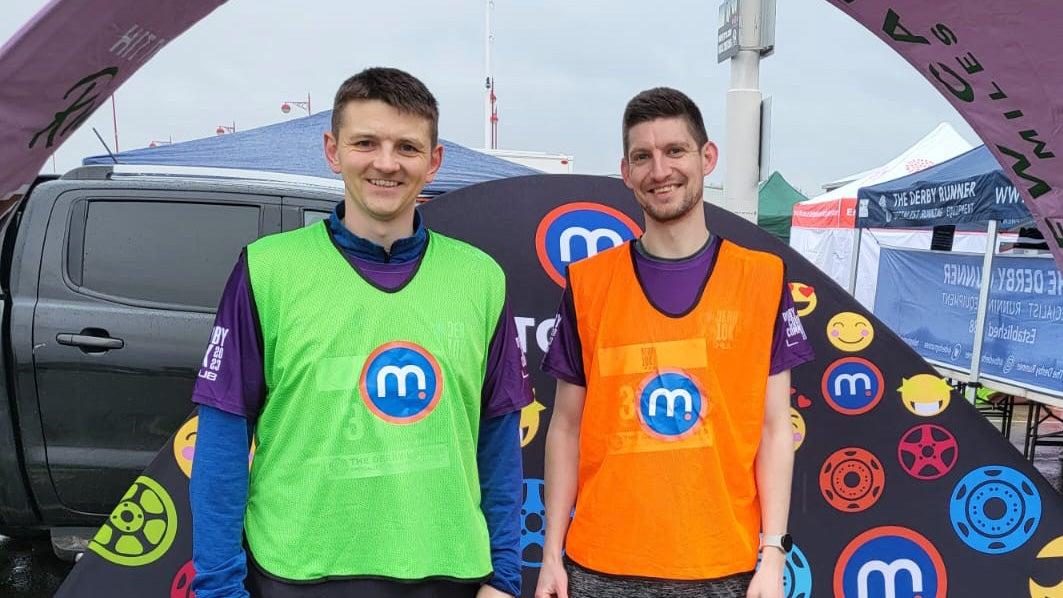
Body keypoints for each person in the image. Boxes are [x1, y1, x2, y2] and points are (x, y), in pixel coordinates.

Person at [189, 67, 531, 598]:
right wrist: (218, 590)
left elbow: (500, 441)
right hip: (296, 574)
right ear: (333, 150)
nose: (386, 163)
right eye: (366, 142)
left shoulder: (480, 277)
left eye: (407, 147)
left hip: (450, 573)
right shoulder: (267, 269)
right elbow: (222, 438)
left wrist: (504, 578)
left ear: (434, 161)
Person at [534, 87, 814, 598]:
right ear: (626, 172)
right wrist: (552, 552)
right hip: (600, 565)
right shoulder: (590, 283)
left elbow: (775, 427)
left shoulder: (761, 278)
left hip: (721, 565)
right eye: (643, 156)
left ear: (708, 157)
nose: (659, 170)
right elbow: (566, 427)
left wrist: (773, 553)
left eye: (675, 150)